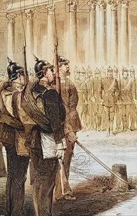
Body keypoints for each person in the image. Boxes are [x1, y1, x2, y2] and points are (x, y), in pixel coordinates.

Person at [20, 57, 66, 216]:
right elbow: (54, 121)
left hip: (33, 141)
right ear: (44, 74)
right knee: (47, 183)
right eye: (51, 70)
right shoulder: (50, 93)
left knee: (39, 181)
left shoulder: (29, 92)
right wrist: (60, 142)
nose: (54, 73)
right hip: (48, 141)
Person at [0, 59, 30, 215]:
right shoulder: (17, 95)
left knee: (12, 176)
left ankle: (10, 210)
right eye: (22, 75)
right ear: (19, 76)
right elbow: (22, 118)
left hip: (7, 137)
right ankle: (16, 212)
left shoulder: (2, 93)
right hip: (18, 138)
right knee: (19, 177)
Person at [55, 56, 82, 200]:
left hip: (70, 121)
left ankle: (62, 189)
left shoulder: (67, 83)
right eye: (65, 65)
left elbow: (74, 103)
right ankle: (63, 190)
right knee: (63, 157)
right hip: (65, 123)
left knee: (67, 157)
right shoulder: (57, 84)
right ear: (59, 67)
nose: (68, 67)